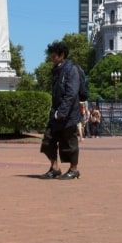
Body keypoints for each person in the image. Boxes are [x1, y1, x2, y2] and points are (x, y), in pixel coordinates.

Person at [40, 40, 84, 178]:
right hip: (56, 112)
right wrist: (56, 112)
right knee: (48, 140)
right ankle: (54, 168)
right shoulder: (57, 70)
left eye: (54, 56)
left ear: (62, 55)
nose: (51, 59)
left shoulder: (71, 69)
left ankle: (74, 170)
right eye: (51, 56)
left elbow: (71, 93)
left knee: (70, 141)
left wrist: (62, 112)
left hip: (69, 113)